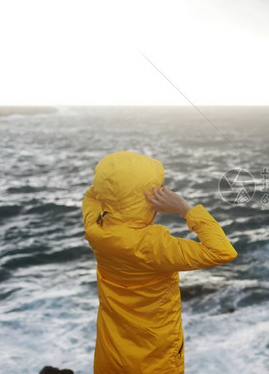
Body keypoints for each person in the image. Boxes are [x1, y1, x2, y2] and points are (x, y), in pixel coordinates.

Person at [82, 151, 238, 373]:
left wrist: (113, 180)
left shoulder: (96, 226)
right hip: (154, 355)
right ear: (144, 196)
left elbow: (93, 195)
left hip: (112, 349)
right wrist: (185, 209)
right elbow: (222, 251)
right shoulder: (153, 245)